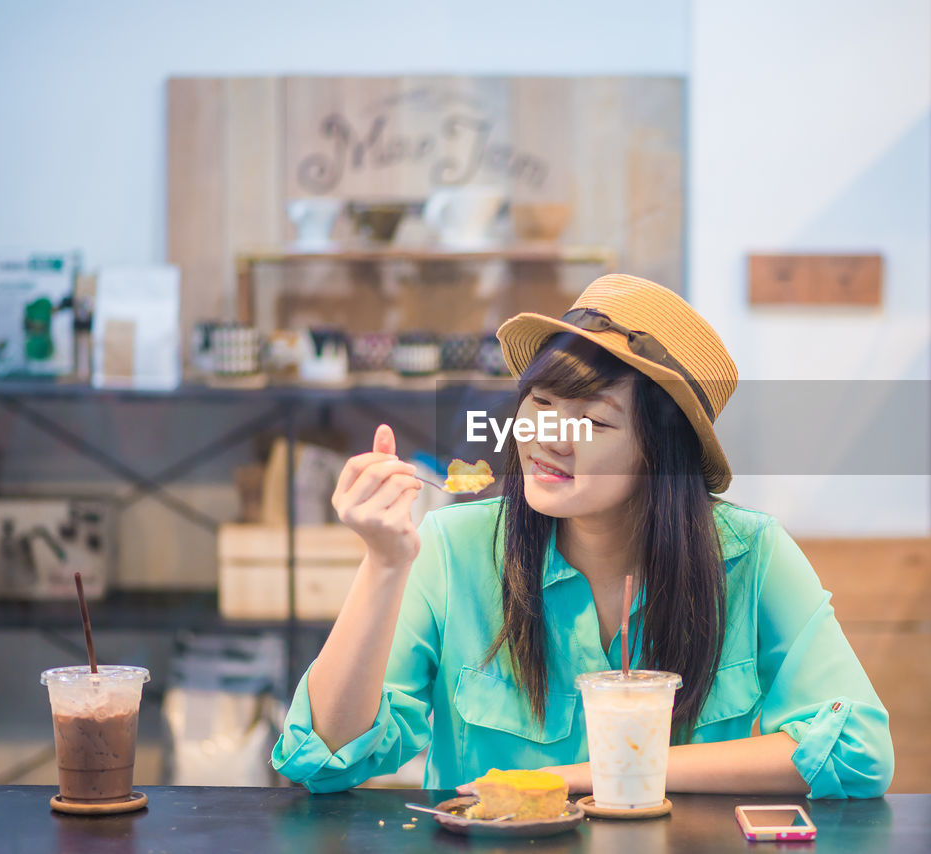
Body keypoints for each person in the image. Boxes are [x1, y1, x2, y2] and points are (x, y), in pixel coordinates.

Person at [271, 274, 894, 798]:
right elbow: (326, 759)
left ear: (660, 452)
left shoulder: (750, 555)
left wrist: (594, 776)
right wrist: (382, 564)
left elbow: (858, 752)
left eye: (594, 419)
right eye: (540, 403)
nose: (550, 436)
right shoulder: (454, 548)